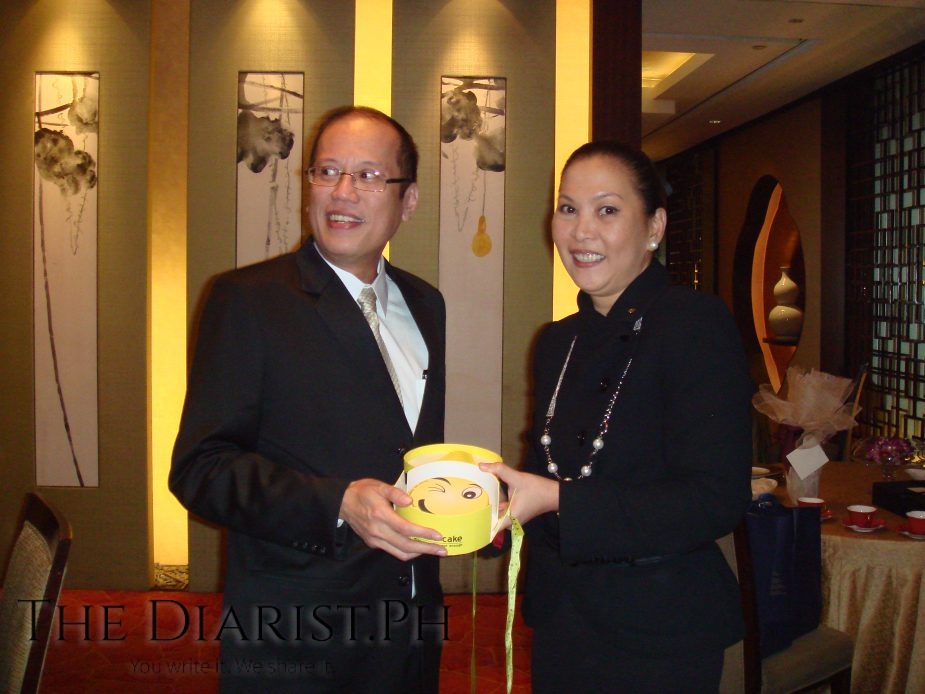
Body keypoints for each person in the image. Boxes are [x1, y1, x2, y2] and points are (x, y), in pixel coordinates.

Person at [170, 106, 448, 693]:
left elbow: (404, 449)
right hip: (297, 637)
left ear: (409, 200)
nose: (342, 192)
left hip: (409, 628)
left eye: (368, 175)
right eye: (327, 171)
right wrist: (338, 503)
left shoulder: (427, 305)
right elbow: (200, 470)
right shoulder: (248, 301)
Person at [481, 141, 753, 692]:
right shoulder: (557, 342)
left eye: (607, 210)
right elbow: (545, 470)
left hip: (657, 627)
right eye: (568, 208)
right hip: (562, 618)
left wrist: (559, 501)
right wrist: (490, 507)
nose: (581, 231)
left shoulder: (694, 325)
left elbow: (715, 499)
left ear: (654, 227)